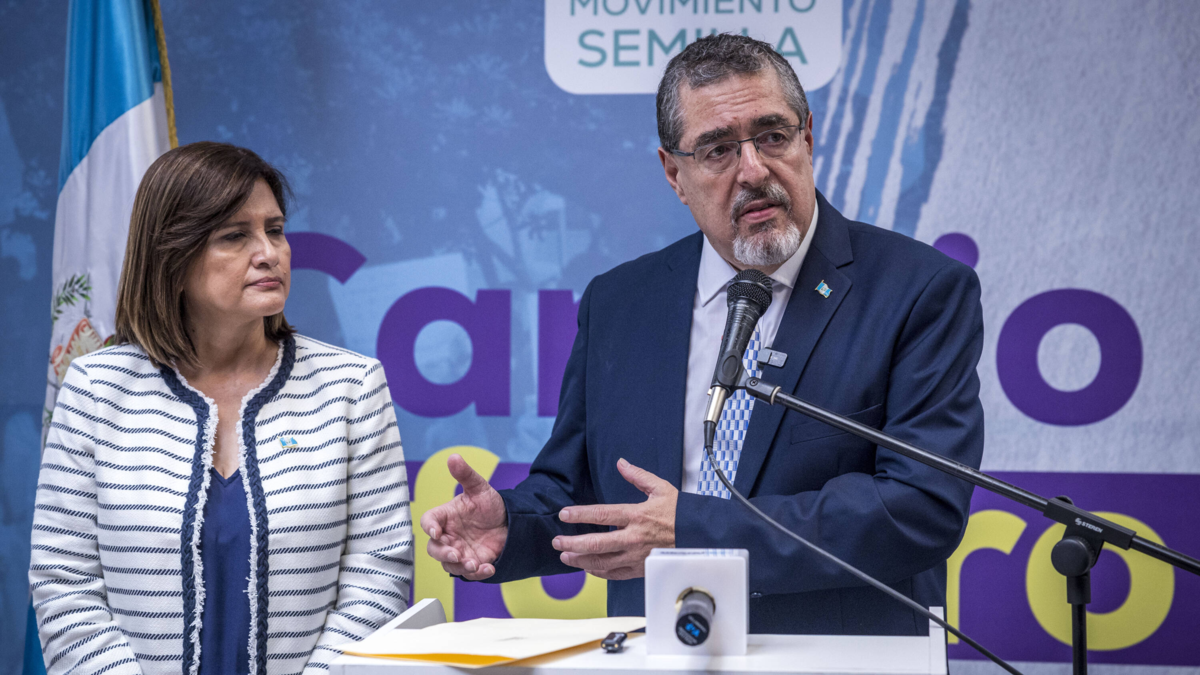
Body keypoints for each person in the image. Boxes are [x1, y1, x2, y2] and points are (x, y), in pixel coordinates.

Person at [421, 33, 984, 636]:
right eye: (717, 150)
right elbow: (576, 488)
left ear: (807, 137)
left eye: (772, 136)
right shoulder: (621, 302)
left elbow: (918, 509)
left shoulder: (918, 290)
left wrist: (692, 529)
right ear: (674, 172)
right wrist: (510, 526)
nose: (753, 170)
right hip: (658, 651)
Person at [29, 142, 413, 674]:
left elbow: (378, 577)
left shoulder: (352, 387)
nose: (269, 253)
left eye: (275, 230)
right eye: (235, 236)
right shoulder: (94, 388)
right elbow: (65, 584)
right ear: (172, 257)